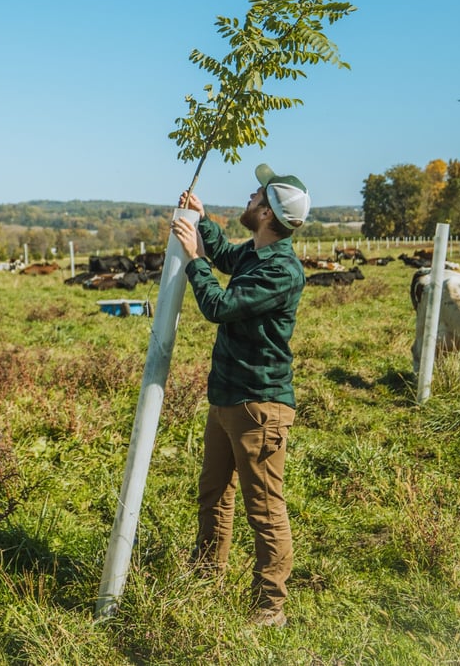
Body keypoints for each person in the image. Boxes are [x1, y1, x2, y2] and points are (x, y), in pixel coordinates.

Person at [170, 163, 310, 629]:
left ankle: (271, 607)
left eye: (257, 194)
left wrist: (194, 260)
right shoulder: (256, 251)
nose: (250, 196)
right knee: (214, 493)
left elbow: (219, 306)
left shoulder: (282, 270)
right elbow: (228, 259)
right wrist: (203, 220)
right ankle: (207, 575)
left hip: (259, 405)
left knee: (264, 508)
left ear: (267, 212)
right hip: (227, 396)